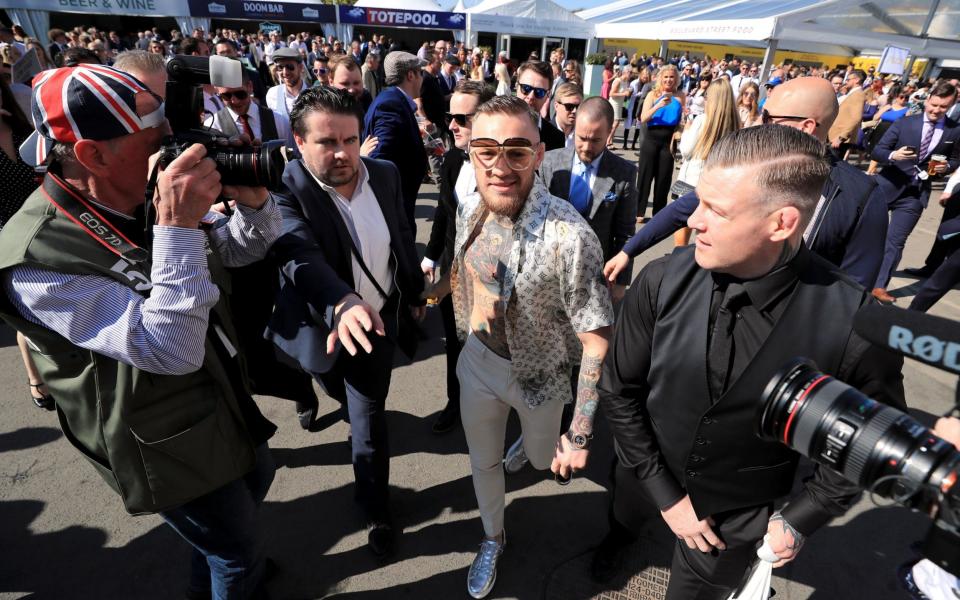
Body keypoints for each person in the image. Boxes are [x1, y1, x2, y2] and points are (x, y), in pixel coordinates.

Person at [0, 64, 280, 599]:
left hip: (217, 397)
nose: (169, 155)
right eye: (153, 142)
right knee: (235, 552)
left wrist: (254, 203)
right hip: (158, 438)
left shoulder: (139, 192)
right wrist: (176, 227)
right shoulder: (34, 259)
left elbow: (242, 250)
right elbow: (170, 349)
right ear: (92, 155)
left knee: (251, 494)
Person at [594, 124, 906, 598]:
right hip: (643, 469)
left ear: (781, 223)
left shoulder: (856, 325)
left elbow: (870, 441)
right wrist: (666, 495)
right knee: (623, 518)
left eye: (716, 210)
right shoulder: (660, 281)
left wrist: (804, 516)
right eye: (698, 201)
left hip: (738, 514)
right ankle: (620, 538)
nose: (692, 221)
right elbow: (619, 391)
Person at [450, 95, 613, 599]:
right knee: (483, 463)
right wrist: (473, 301)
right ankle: (493, 539)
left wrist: (581, 433)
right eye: (486, 151)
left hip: (541, 379)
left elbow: (596, 337)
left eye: (517, 152)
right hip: (478, 363)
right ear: (471, 153)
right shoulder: (472, 208)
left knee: (543, 462)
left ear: (539, 155)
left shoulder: (571, 236)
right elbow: (474, 269)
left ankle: (532, 443)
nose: (500, 166)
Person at [267, 86, 425, 557]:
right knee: (333, 386)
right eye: (327, 142)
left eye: (352, 140)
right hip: (320, 329)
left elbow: (402, 234)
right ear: (298, 140)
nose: (343, 154)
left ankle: (376, 508)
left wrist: (414, 292)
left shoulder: (386, 173)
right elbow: (297, 253)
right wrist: (341, 302)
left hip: (375, 331)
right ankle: (322, 394)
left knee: (368, 421)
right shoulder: (283, 185)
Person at [606, 76, 888, 290]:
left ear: (807, 127)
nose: (761, 123)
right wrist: (629, 251)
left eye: (769, 117)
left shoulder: (861, 197)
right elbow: (683, 209)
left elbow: (854, 287)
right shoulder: (748, 166)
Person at [421, 79, 495, 435]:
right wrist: (431, 256)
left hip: (495, 279)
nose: (451, 126)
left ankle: (494, 411)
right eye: (451, 118)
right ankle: (456, 402)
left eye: (462, 119)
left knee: (491, 346)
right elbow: (443, 213)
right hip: (454, 276)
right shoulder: (452, 159)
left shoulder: (507, 165)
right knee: (455, 343)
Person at [538, 96, 638, 303]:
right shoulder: (549, 163)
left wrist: (620, 281)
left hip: (595, 276)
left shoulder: (623, 173)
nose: (586, 146)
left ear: (609, 132)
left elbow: (625, 233)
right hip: (548, 270)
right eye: (582, 138)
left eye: (595, 140)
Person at [870, 81, 960, 304]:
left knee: (896, 241)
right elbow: (878, 150)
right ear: (928, 99)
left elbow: (955, 159)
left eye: (943, 107)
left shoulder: (955, 130)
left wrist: (944, 168)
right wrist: (893, 156)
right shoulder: (905, 122)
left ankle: (879, 286)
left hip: (916, 194)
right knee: (866, 232)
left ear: (952, 104)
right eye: (934, 104)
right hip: (887, 185)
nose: (936, 110)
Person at [0, 75, 53, 411]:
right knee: (28, 311)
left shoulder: (22, 130)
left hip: (47, 225)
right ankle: (36, 378)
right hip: (9, 236)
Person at [363, 51, 429, 233]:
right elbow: (378, 157)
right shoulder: (391, 104)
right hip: (393, 206)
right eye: (420, 73)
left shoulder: (393, 99)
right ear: (410, 75)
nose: (422, 78)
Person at [674, 78, 741, 246]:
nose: (705, 100)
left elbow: (686, 150)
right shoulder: (734, 124)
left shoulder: (702, 120)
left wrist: (686, 131)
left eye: (707, 96)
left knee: (683, 226)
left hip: (692, 181)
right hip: (717, 184)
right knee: (704, 231)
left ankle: (678, 261)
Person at [636, 64, 684, 221]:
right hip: (651, 137)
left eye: (671, 77)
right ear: (660, 78)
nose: (669, 80)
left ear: (676, 79)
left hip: (669, 140)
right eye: (666, 77)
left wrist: (680, 130)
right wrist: (658, 105)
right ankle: (639, 211)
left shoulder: (680, 96)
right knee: (645, 175)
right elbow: (643, 118)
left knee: (664, 178)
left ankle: (658, 214)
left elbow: (681, 120)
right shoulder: (652, 94)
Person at [266, 47, 309, 153]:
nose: (285, 72)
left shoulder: (314, 94)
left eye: (290, 67)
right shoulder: (272, 94)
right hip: (284, 159)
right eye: (280, 67)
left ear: (300, 68)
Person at [515, 60, 565, 151]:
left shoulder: (557, 139)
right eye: (526, 88)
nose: (531, 96)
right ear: (516, 87)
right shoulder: (497, 127)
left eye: (539, 92)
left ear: (548, 95)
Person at [864, 85, 910, 175]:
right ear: (896, 97)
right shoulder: (888, 106)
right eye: (901, 97)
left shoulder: (907, 110)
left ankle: (871, 170)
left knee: (884, 149)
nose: (904, 99)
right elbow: (875, 118)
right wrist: (883, 110)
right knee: (875, 149)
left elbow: (907, 125)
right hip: (880, 130)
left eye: (906, 98)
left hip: (892, 132)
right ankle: (871, 170)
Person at [829, 68, 866, 156]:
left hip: (839, 138)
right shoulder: (853, 93)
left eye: (848, 79)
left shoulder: (858, 94)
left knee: (832, 165)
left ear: (856, 80)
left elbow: (856, 118)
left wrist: (841, 137)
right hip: (835, 135)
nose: (846, 82)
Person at [624, 68, 652, 150]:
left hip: (643, 106)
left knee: (638, 125)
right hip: (633, 104)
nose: (645, 78)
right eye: (644, 76)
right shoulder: (634, 83)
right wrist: (639, 94)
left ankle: (633, 144)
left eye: (647, 77)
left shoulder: (649, 84)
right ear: (641, 75)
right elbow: (630, 94)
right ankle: (625, 144)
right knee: (628, 124)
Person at [607, 66, 632, 148]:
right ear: (625, 72)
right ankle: (607, 141)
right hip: (614, 103)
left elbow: (624, 94)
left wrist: (627, 93)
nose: (631, 74)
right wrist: (624, 94)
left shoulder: (626, 82)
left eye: (631, 73)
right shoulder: (618, 80)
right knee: (615, 123)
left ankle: (610, 141)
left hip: (620, 103)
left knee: (615, 124)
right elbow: (611, 94)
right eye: (630, 72)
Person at [552, 82, 582, 150]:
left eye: (578, 106)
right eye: (569, 106)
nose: (575, 111)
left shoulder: (583, 135)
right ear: (556, 106)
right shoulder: (543, 134)